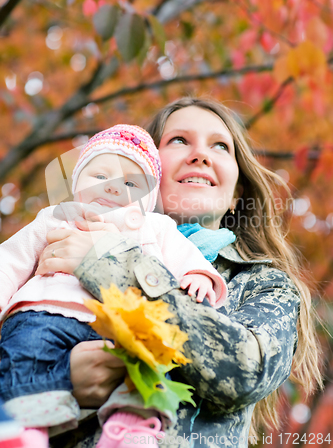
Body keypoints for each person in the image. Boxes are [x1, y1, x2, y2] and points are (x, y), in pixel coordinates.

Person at [36, 98, 322, 448]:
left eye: (220, 145)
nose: (200, 154)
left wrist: (110, 265)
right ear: (146, 174)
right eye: (179, 140)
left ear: (236, 194)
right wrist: (56, 379)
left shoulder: (264, 285)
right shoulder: (68, 239)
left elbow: (246, 371)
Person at [0, 124, 231, 448]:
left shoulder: (155, 225)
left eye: (130, 183)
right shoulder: (57, 216)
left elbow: (184, 255)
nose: (112, 188)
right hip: (45, 313)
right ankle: (25, 432)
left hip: (125, 324)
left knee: (148, 370)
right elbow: (11, 260)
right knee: (23, 362)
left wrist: (198, 275)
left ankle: (131, 428)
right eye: (99, 176)